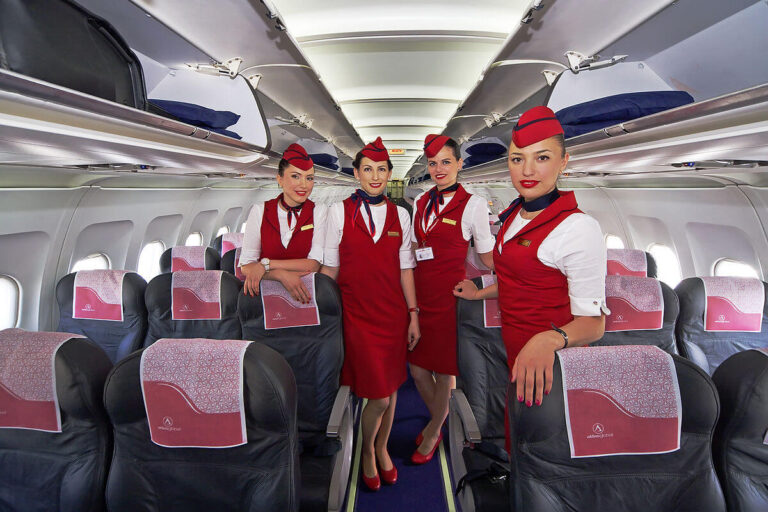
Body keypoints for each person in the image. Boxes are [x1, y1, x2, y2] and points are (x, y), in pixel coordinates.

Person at [454, 106, 607, 415]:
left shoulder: (578, 228)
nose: (527, 171)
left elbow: (594, 324)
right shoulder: (513, 216)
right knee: (518, 444)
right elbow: (520, 280)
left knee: (540, 450)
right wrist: (479, 293)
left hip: (550, 367)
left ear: (563, 162)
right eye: (517, 159)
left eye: (542, 157)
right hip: (517, 354)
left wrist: (551, 339)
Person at [321, 137, 420, 491]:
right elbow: (329, 268)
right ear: (356, 174)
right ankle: (367, 451)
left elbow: (405, 268)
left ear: (390, 174)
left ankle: (381, 446)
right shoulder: (337, 212)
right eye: (368, 169)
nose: (375, 176)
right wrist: (319, 311)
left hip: (393, 314)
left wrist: (413, 314)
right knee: (377, 394)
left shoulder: (400, 215)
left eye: (381, 170)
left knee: (392, 388)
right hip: (357, 316)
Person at [408, 134, 494, 464]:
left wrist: (529, 265)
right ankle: (439, 419)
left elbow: (487, 258)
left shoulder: (473, 205)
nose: (439, 169)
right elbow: (417, 248)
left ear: (460, 163)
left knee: (444, 371)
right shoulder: (420, 202)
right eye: (433, 163)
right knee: (416, 369)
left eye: (446, 161)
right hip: (420, 291)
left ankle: (433, 430)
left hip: (449, 296)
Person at [239, 143, 325, 301]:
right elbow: (246, 265)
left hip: (306, 296)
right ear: (280, 179)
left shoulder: (319, 211)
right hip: (264, 299)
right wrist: (280, 275)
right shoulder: (260, 211)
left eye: (309, 178)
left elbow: (312, 265)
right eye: (295, 176)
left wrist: (265, 265)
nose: (304, 185)